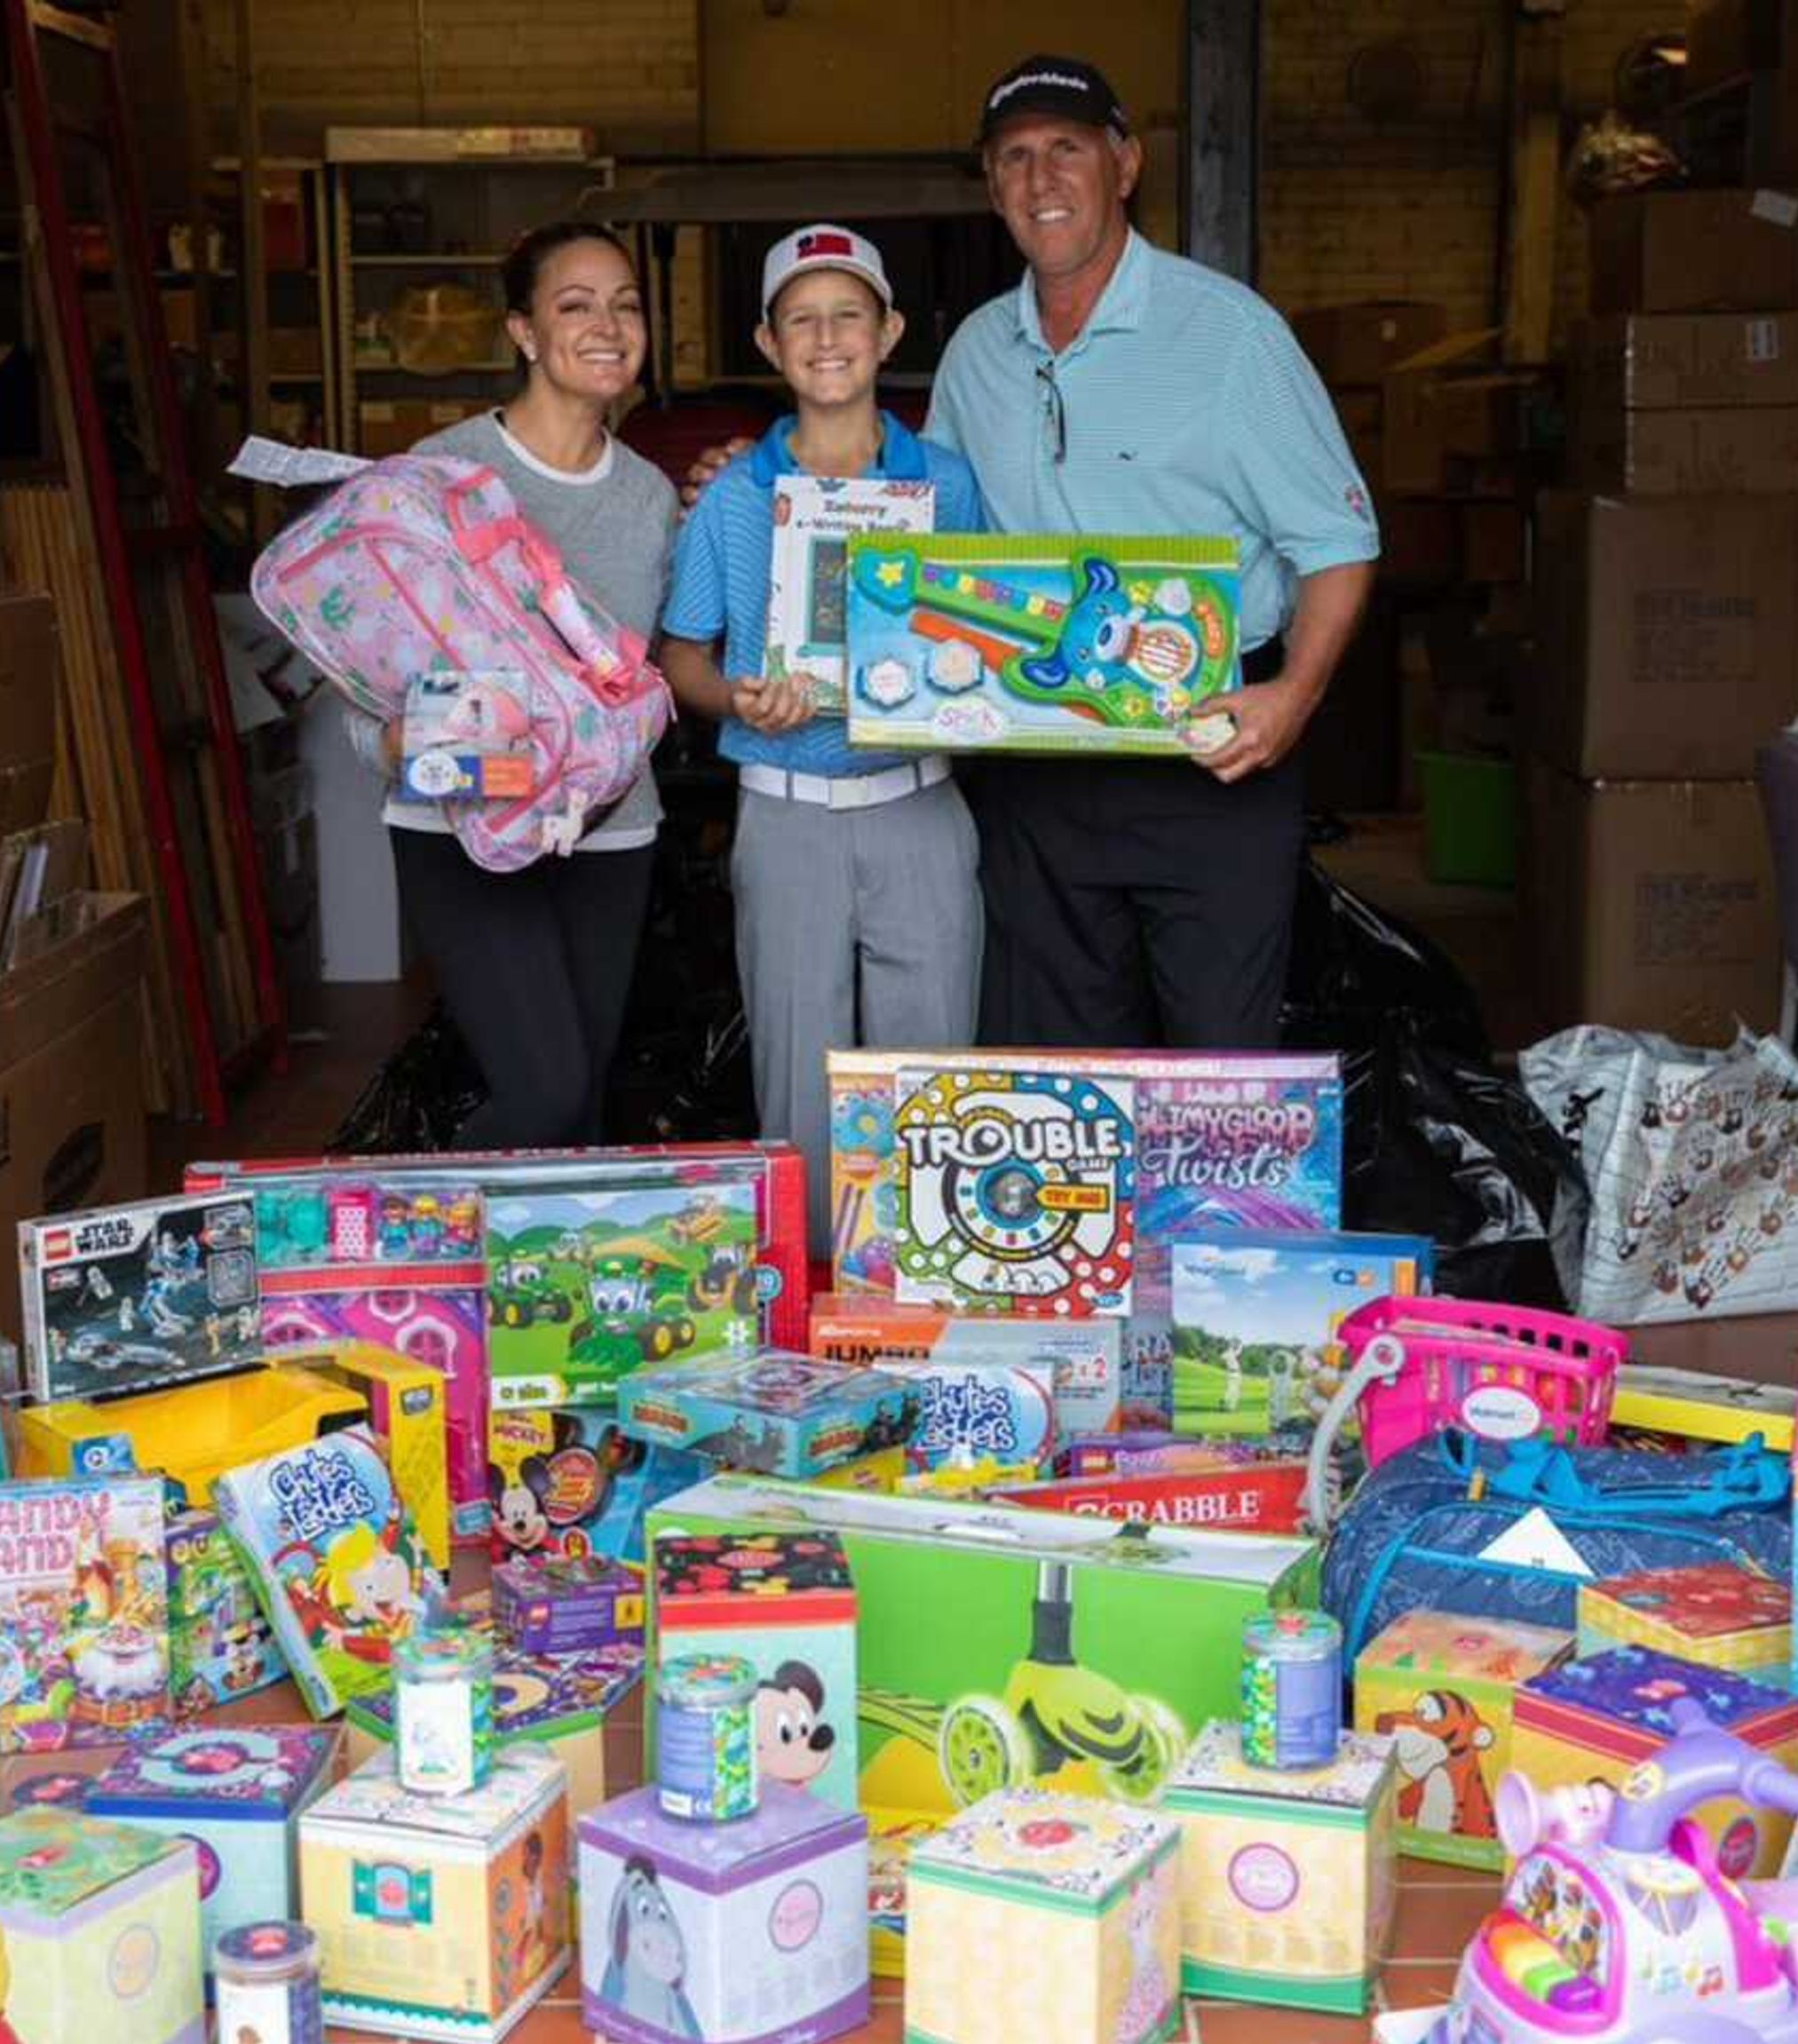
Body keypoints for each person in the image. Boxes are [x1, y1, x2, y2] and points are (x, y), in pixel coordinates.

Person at [939, 56, 1378, 1046]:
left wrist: (1294, 698)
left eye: (1066, 150)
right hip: (1034, 758)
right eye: (1014, 158)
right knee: (1059, 1073)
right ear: (992, 186)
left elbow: (1340, 541)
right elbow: (927, 525)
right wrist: (764, 476)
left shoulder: (1227, 335)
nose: (1040, 180)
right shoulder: (975, 353)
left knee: (1215, 1065)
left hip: (1206, 751)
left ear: (1124, 165)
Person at [659, 224, 990, 1251]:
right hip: (785, 812)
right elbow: (681, 657)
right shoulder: (733, 493)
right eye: (801, 317)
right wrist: (736, 700)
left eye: (850, 311)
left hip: (918, 806)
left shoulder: (948, 481)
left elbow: (990, 628)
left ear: (889, 330)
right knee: (798, 1088)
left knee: (934, 1088)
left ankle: (924, 1307)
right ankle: (807, 1324)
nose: (828, 335)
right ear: (768, 342)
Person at [354, 220, 676, 1147]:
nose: (607, 325)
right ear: (524, 333)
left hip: (608, 830)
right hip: (462, 818)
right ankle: (412, 1229)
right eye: (575, 305)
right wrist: (397, 744)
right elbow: (359, 681)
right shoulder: (439, 476)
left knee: (574, 1105)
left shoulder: (651, 496)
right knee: (544, 1087)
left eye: (625, 305)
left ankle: (520, 1286)